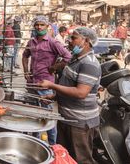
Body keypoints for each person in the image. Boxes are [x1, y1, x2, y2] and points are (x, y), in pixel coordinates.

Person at [39, 27, 101, 163]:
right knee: (64, 157)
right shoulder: (74, 59)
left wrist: (51, 86)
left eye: (74, 38)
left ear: (86, 41)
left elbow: (81, 93)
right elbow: (69, 85)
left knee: (80, 159)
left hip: (80, 122)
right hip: (66, 118)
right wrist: (55, 96)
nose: (70, 41)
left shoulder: (89, 63)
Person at [22, 15, 71, 145]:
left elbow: (67, 57)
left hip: (45, 84)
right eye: (37, 25)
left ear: (47, 26)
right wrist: (25, 70)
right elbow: (25, 55)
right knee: (33, 114)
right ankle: (35, 142)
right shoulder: (31, 41)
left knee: (47, 114)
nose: (39, 27)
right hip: (32, 83)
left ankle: (53, 144)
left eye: (42, 25)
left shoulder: (53, 42)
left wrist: (54, 67)